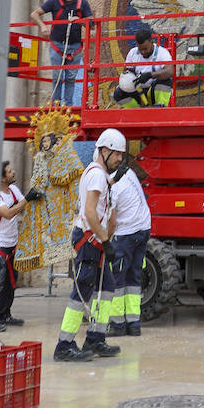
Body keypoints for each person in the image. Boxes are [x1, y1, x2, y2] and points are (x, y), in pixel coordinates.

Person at [53, 128, 126, 362]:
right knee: (82, 291)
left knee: (106, 290)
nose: (120, 159)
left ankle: (96, 338)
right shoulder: (96, 175)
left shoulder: (102, 177)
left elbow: (105, 209)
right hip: (89, 240)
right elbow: (89, 211)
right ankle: (64, 345)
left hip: (97, 241)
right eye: (117, 154)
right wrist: (106, 240)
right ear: (104, 151)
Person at [16, 108, 83, 273]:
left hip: (62, 200)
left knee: (61, 231)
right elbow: (38, 180)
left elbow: (76, 173)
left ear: (54, 140)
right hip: (46, 201)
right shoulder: (40, 159)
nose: (45, 144)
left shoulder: (65, 153)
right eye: (43, 141)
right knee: (47, 230)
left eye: (48, 141)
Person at [32, 0, 93, 106]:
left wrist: (80, 20)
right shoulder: (54, 1)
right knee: (57, 77)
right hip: (57, 45)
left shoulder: (82, 4)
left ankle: (68, 105)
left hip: (75, 47)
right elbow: (35, 14)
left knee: (71, 78)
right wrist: (43, 26)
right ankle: (56, 105)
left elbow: (92, 23)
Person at [0, 161, 40, 332]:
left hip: (12, 245)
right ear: (1, 178)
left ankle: (5, 314)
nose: (13, 172)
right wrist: (28, 198)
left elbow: (23, 204)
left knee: (9, 284)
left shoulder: (13, 190)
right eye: (9, 171)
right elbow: (8, 213)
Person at [107, 164, 152, 337]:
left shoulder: (113, 186)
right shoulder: (129, 172)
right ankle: (134, 324)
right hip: (143, 229)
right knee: (134, 276)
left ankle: (117, 324)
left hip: (126, 233)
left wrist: (105, 241)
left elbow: (111, 221)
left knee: (117, 277)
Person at [112, 25, 174, 106]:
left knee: (165, 81)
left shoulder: (162, 52)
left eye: (145, 49)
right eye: (140, 49)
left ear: (152, 42)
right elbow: (127, 71)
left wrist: (150, 75)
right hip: (138, 91)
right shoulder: (132, 53)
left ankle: (160, 108)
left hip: (153, 91)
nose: (143, 52)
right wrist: (128, 80)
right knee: (118, 93)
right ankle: (136, 113)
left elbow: (170, 71)